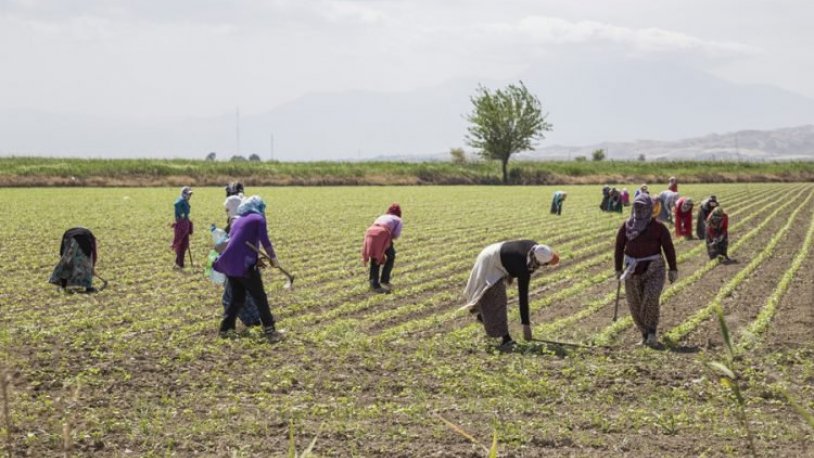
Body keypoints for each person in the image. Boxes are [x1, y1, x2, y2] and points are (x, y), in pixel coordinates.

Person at [463, 241, 559, 350]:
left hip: (496, 252)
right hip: (489, 261)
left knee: (493, 297)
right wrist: (526, 325)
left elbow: (514, 256)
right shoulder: (523, 268)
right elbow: (523, 297)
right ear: (537, 261)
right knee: (497, 299)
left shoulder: (536, 248)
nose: (544, 266)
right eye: (545, 264)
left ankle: (483, 316)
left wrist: (510, 269)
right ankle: (506, 339)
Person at [213, 196, 284, 343]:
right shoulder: (258, 219)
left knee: (237, 298)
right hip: (243, 266)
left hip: (229, 264)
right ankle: (270, 329)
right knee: (260, 297)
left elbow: (237, 244)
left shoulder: (237, 220)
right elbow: (265, 241)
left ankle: (225, 329)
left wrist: (257, 259)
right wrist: (274, 258)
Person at [615, 194, 678, 348]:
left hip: (654, 268)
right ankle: (644, 335)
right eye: (637, 206)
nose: (639, 209)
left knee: (650, 298)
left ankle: (651, 333)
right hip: (632, 270)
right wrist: (617, 268)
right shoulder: (627, 226)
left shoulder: (659, 228)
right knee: (635, 303)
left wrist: (673, 268)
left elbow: (668, 248)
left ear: (650, 208)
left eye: (643, 206)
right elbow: (619, 247)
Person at [220, 182, 261, 328]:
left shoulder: (235, 209)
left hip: (238, 261)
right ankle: (254, 321)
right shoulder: (247, 207)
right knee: (244, 294)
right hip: (246, 259)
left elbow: (230, 239)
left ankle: (234, 326)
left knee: (232, 296)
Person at [362, 203, 403, 293]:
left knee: (375, 257)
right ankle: (384, 281)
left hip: (370, 232)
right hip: (382, 233)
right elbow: (396, 235)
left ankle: (373, 283)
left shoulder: (383, 216)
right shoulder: (398, 220)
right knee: (391, 256)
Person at [49, 227, 98, 293]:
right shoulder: (91, 237)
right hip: (83, 242)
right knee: (86, 265)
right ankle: (88, 287)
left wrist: (63, 258)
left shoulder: (68, 232)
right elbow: (94, 253)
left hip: (69, 239)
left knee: (66, 264)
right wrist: (92, 266)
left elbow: (62, 248)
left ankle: (63, 285)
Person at [171, 186, 194, 269]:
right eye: (188, 194)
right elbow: (176, 204)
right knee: (181, 244)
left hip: (185, 223)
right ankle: (179, 263)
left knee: (184, 244)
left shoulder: (184, 201)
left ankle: (179, 262)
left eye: (190, 194)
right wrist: (182, 215)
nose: (189, 196)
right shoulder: (181, 200)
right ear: (184, 194)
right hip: (182, 224)